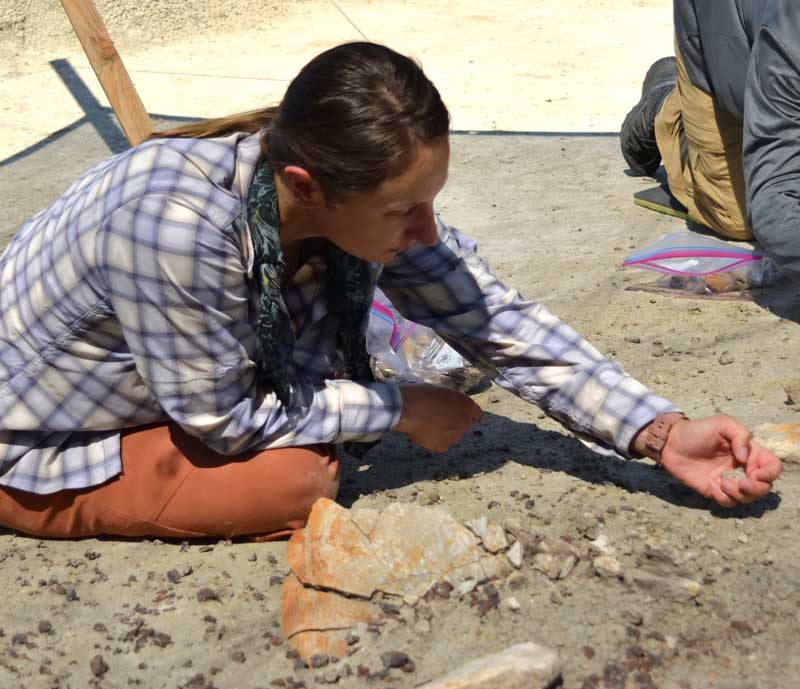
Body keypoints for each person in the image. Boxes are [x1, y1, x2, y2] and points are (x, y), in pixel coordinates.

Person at [0, 42, 781, 541]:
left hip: (161, 387)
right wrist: (398, 405)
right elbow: (224, 418)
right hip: (36, 428)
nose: (429, 232)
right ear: (309, 186)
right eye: (407, 210)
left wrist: (656, 429)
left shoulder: (324, 199)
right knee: (291, 479)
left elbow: (492, 317)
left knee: (315, 436)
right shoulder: (174, 226)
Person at [621, 0, 800, 277]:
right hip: (716, 37)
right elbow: (774, 191)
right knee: (736, 217)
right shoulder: (789, 38)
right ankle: (665, 106)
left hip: (769, 66)